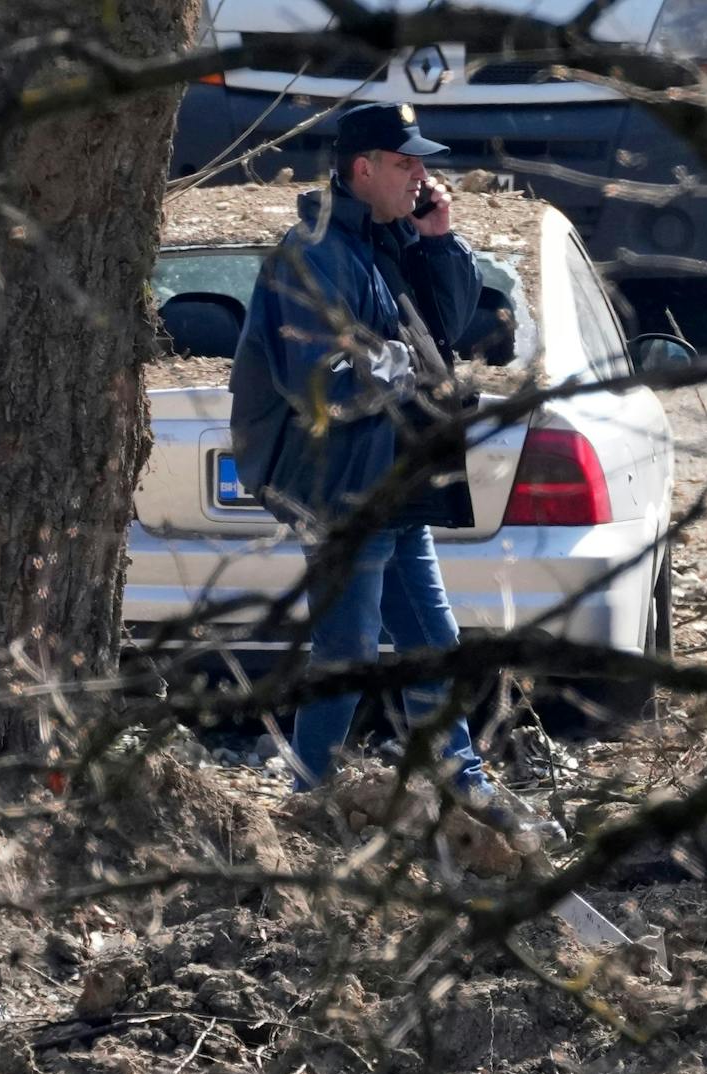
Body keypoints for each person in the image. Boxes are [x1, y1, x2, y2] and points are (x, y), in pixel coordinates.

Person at [228, 102, 495, 799]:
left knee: (432, 650)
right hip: (340, 486)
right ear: (362, 169)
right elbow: (318, 384)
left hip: (393, 479)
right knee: (345, 656)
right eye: (406, 163)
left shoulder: (388, 241)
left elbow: (450, 326)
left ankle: (464, 789)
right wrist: (395, 364)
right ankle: (305, 797)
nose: (421, 176)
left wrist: (440, 240)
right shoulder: (313, 253)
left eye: (421, 164)